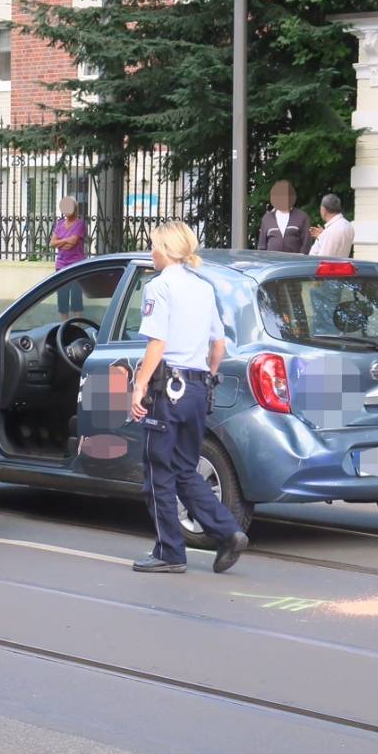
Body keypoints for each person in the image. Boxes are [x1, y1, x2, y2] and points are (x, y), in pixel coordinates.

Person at [130, 221, 249, 574]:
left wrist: (139, 385)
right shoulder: (202, 287)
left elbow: (157, 343)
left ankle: (169, 551)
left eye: (153, 246)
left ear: (165, 250)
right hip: (197, 389)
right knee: (186, 468)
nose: (151, 252)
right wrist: (207, 378)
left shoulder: (160, 287)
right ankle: (228, 532)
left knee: (159, 473)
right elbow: (219, 345)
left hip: (167, 391)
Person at [50, 196, 86, 318]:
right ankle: (64, 327)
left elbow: (72, 243)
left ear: (75, 208)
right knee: (62, 298)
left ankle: (77, 326)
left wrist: (60, 241)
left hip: (77, 265)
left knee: (76, 298)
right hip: (61, 266)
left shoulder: (80, 224)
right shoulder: (59, 224)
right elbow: (52, 243)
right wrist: (65, 240)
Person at [257, 180, 312, 254]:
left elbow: (306, 243)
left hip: (294, 263)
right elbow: (262, 246)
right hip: (273, 263)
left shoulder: (302, 217)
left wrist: (300, 259)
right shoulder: (267, 218)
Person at [308, 193, 355, 258]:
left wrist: (324, 235)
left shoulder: (332, 230)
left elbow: (323, 259)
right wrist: (323, 235)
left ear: (323, 210)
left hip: (328, 267)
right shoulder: (348, 225)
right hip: (341, 266)